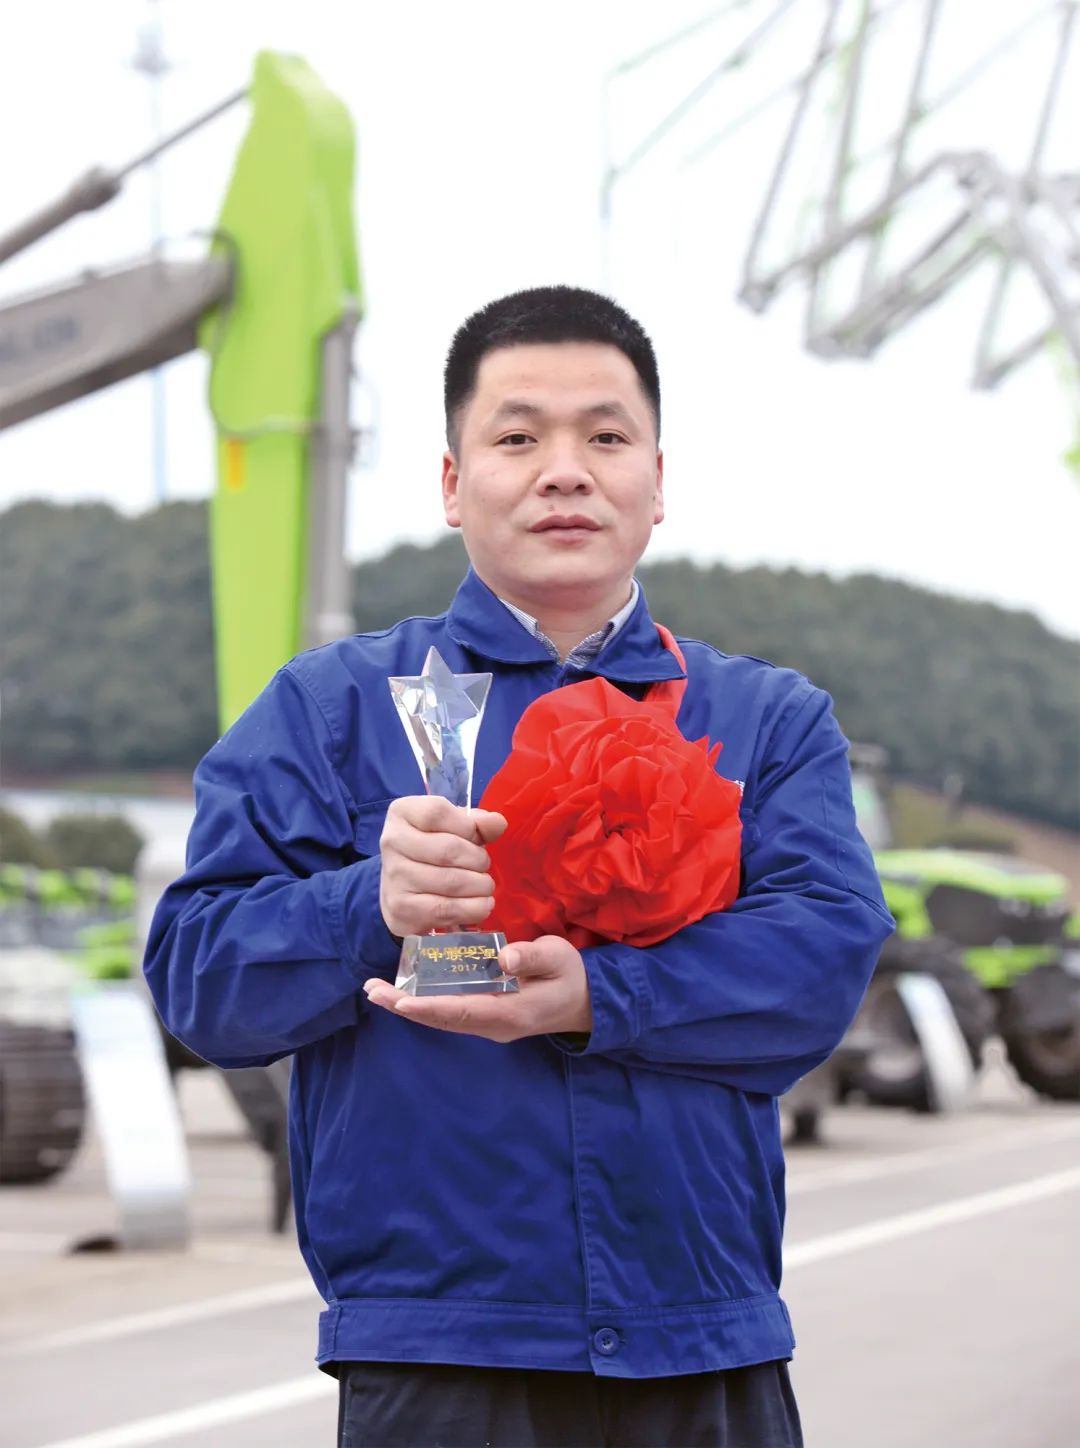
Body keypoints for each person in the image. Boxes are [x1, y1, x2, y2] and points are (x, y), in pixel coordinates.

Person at [145, 285, 893, 1448]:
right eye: (517, 436)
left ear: (657, 479)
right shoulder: (333, 707)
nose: (565, 471)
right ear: (453, 483)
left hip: (702, 1336)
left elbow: (822, 962)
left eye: (606, 435)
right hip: (439, 1347)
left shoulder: (768, 720)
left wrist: (602, 994)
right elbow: (200, 980)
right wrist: (368, 902)